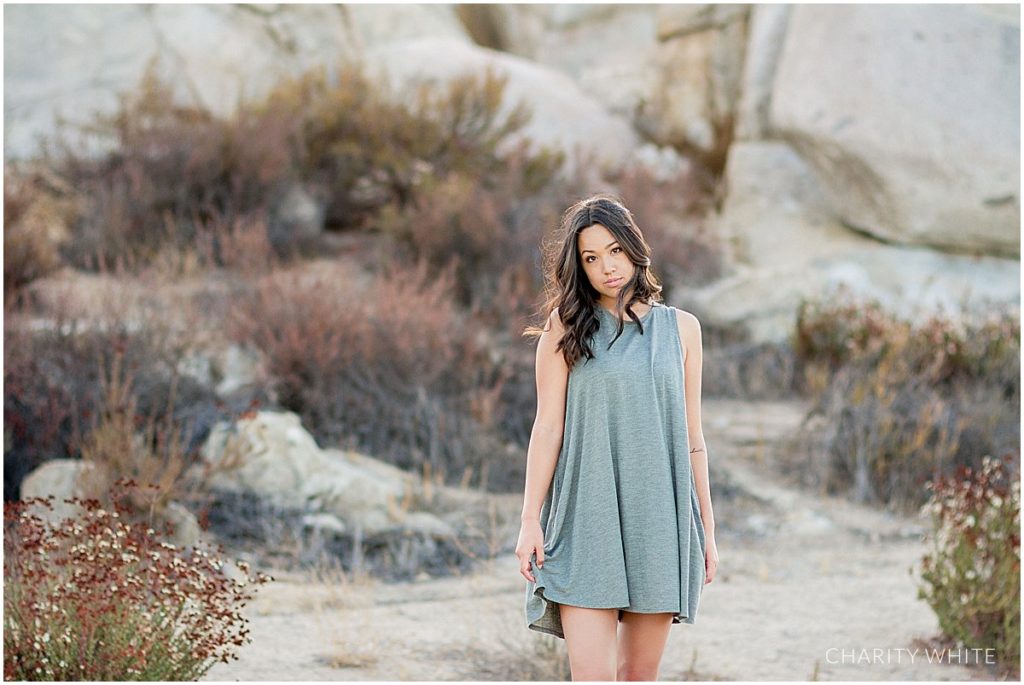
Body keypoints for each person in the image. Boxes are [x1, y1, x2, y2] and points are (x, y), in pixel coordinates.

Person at [516, 194, 718, 681]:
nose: (606, 267)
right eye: (590, 258)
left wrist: (707, 531)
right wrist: (528, 521)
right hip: (587, 519)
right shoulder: (566, 328)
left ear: (633, 248)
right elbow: (547, 428)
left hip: (660, 520)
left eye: (614, 251)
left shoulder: (682, 330)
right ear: (579, 267)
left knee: (638, 677)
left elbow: (694, 437)